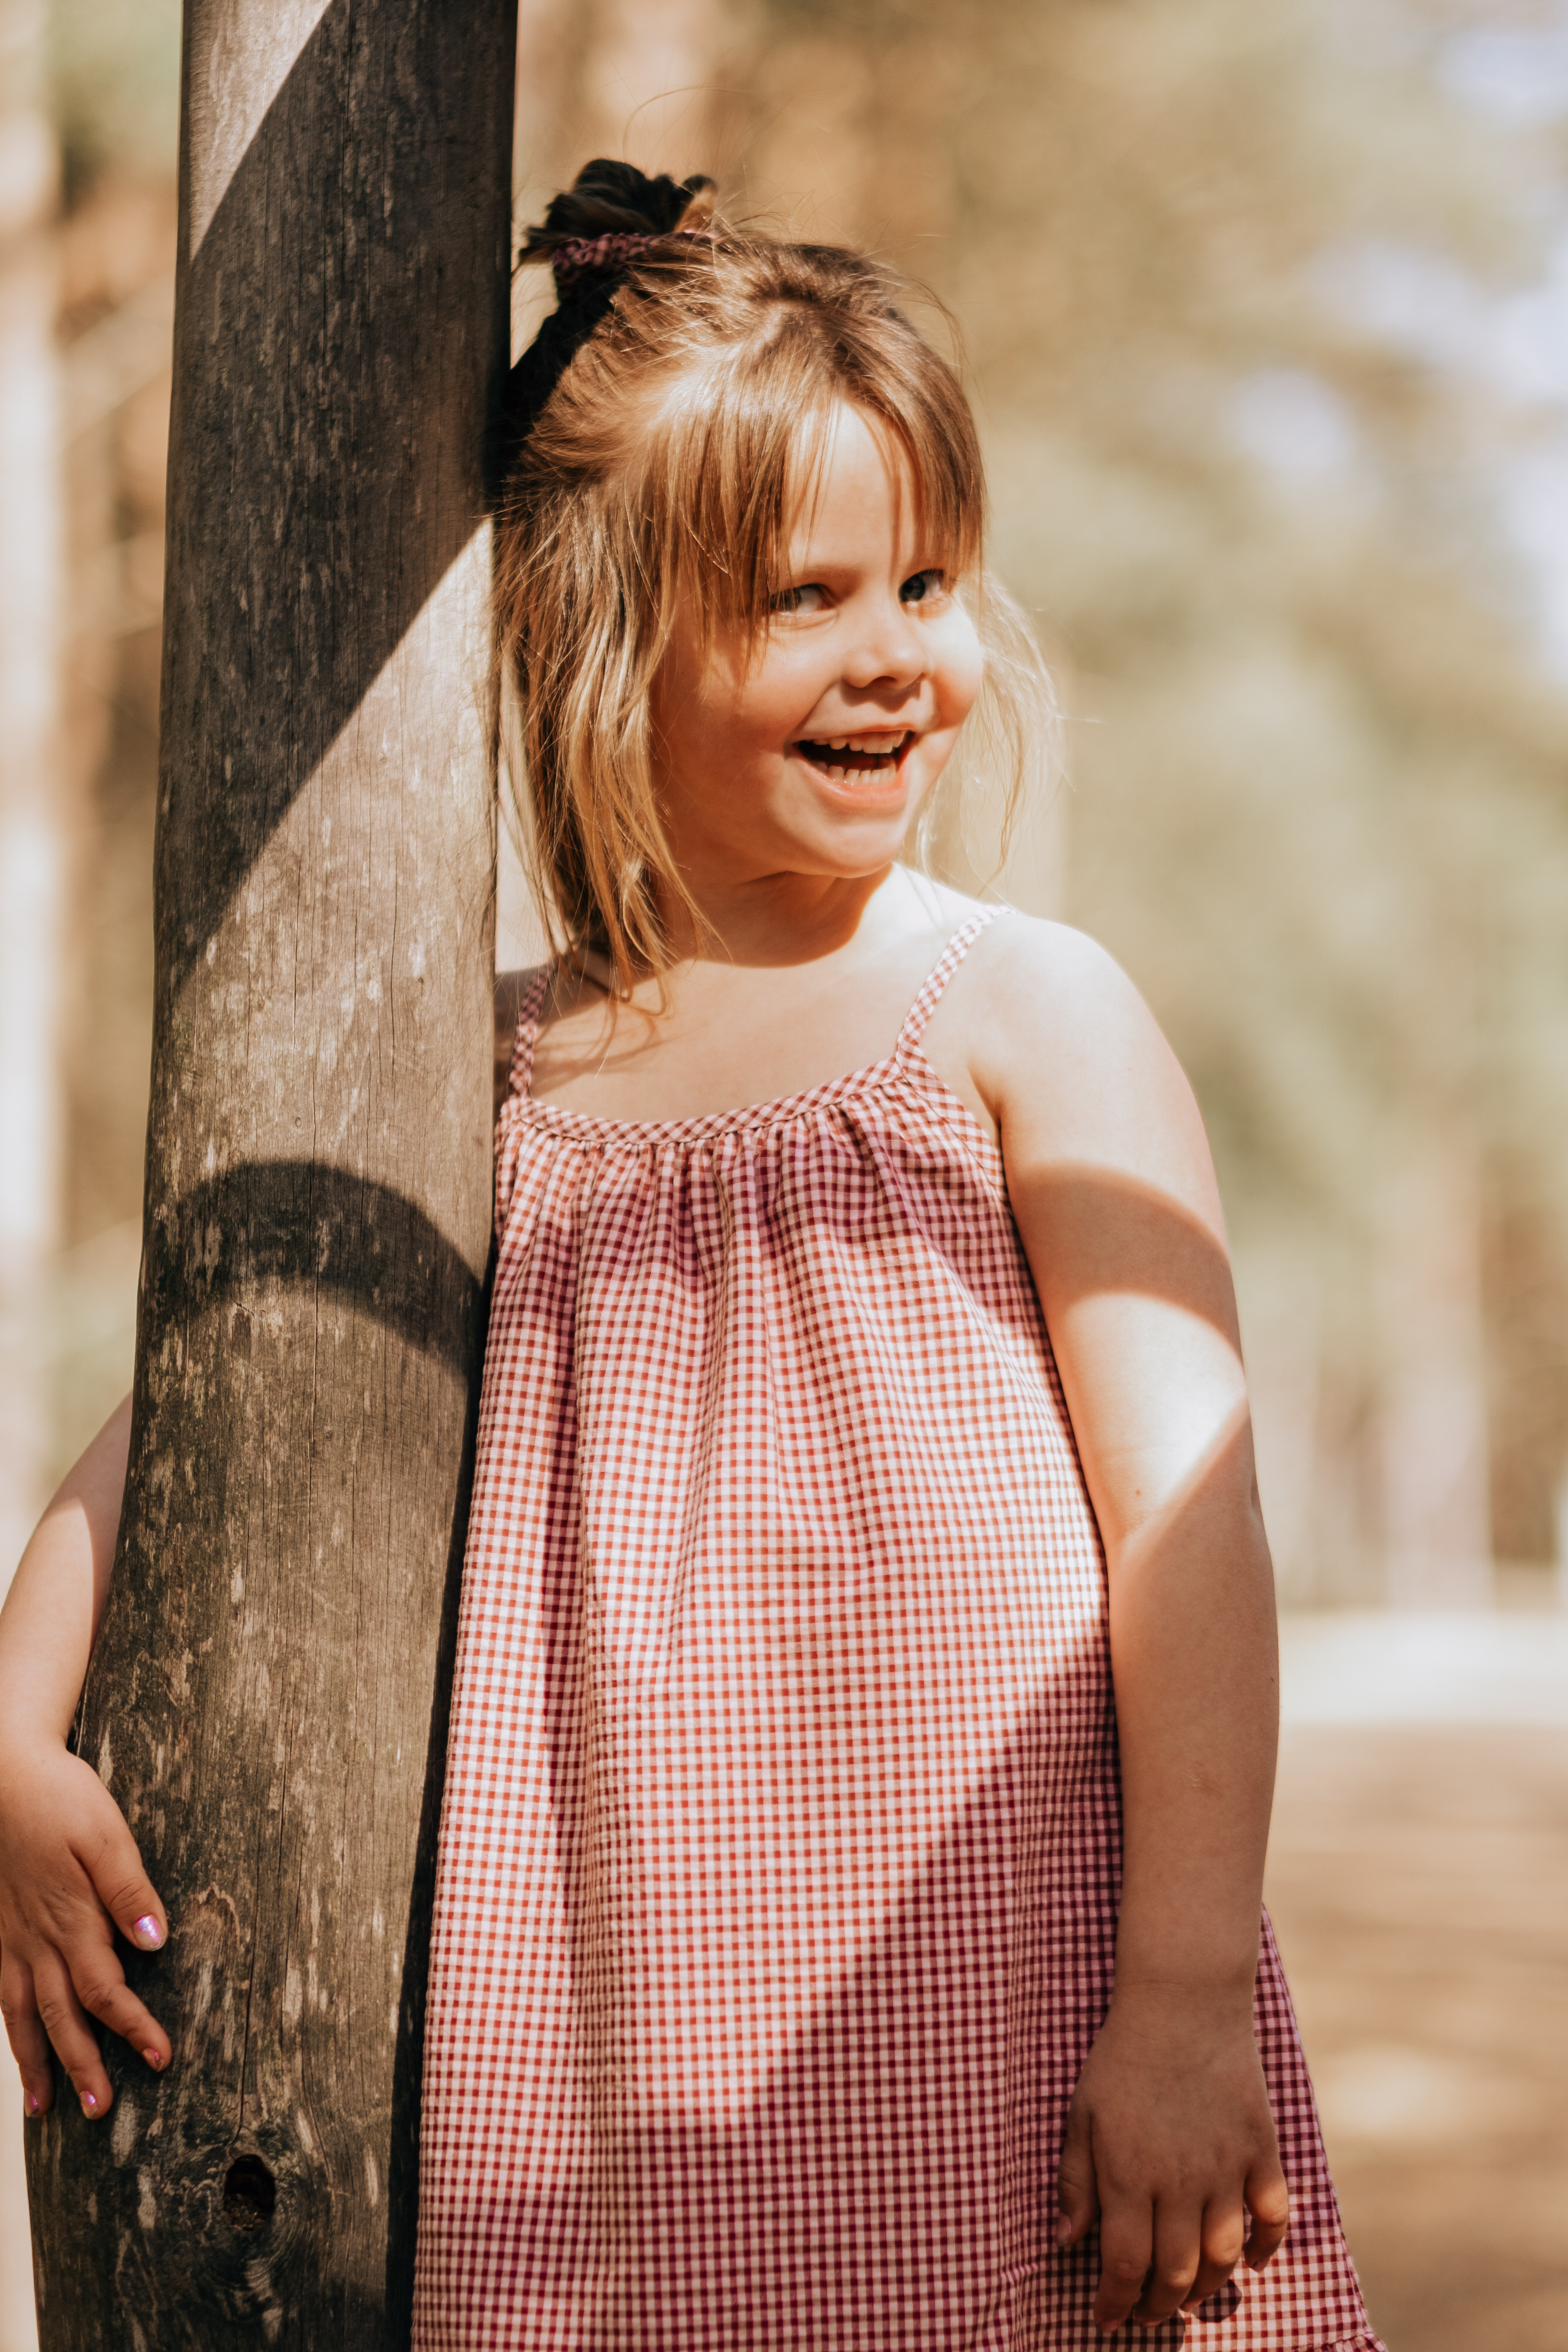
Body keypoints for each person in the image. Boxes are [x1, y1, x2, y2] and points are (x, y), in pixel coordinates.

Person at [0, 160, 1383, 2349]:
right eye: (807, 598)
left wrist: (1189, 1998)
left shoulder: (1019, 1017)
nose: (899, 659)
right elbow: (190, 1421)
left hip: (1003, 2000)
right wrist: (12, 1722)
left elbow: (1187, 1544)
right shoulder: (483, 1076)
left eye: (926, 581)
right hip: (598, 2042)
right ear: (601, 636)